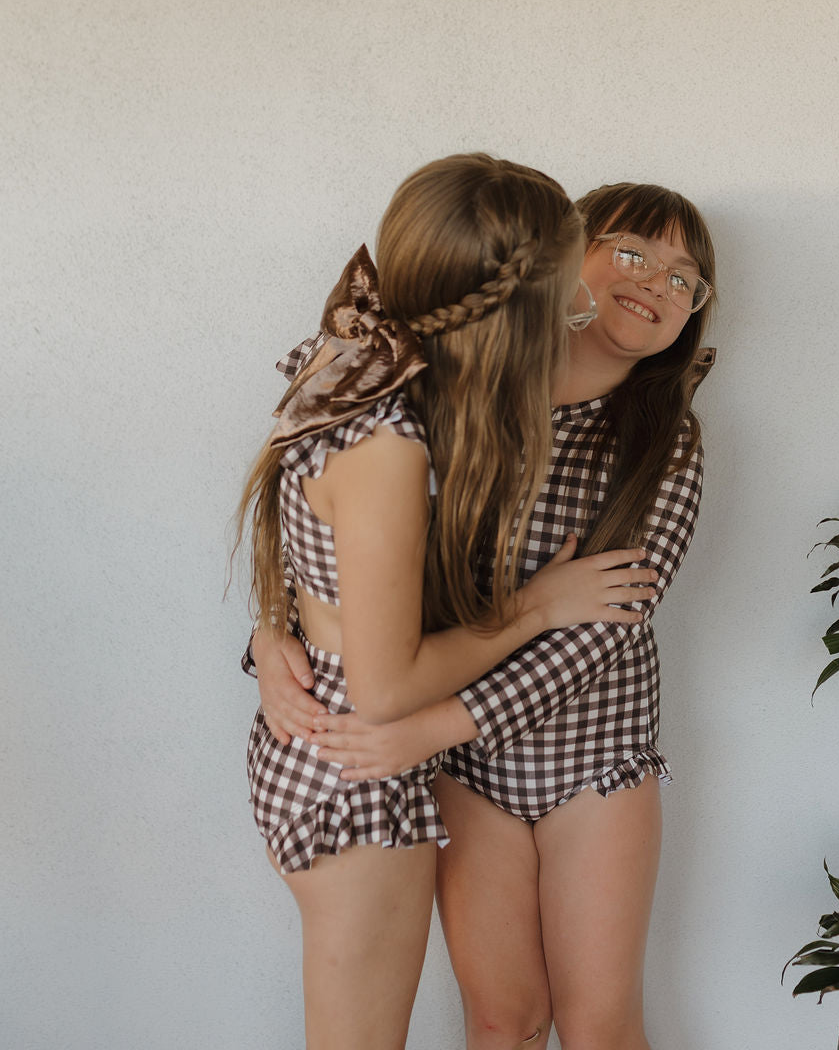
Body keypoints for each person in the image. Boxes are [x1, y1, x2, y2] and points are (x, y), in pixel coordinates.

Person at [256, 180, 716, 1050]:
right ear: (565, 269)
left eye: (685, 279)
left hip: (590, 750)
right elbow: (356, 553)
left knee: (599, 1026)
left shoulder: (664, 440)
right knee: (504, 1018)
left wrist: (426, 725)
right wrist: (273, 630)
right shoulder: (464, 404)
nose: (658, 282)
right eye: (631, 252)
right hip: (464, 768)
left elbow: (597, 628)